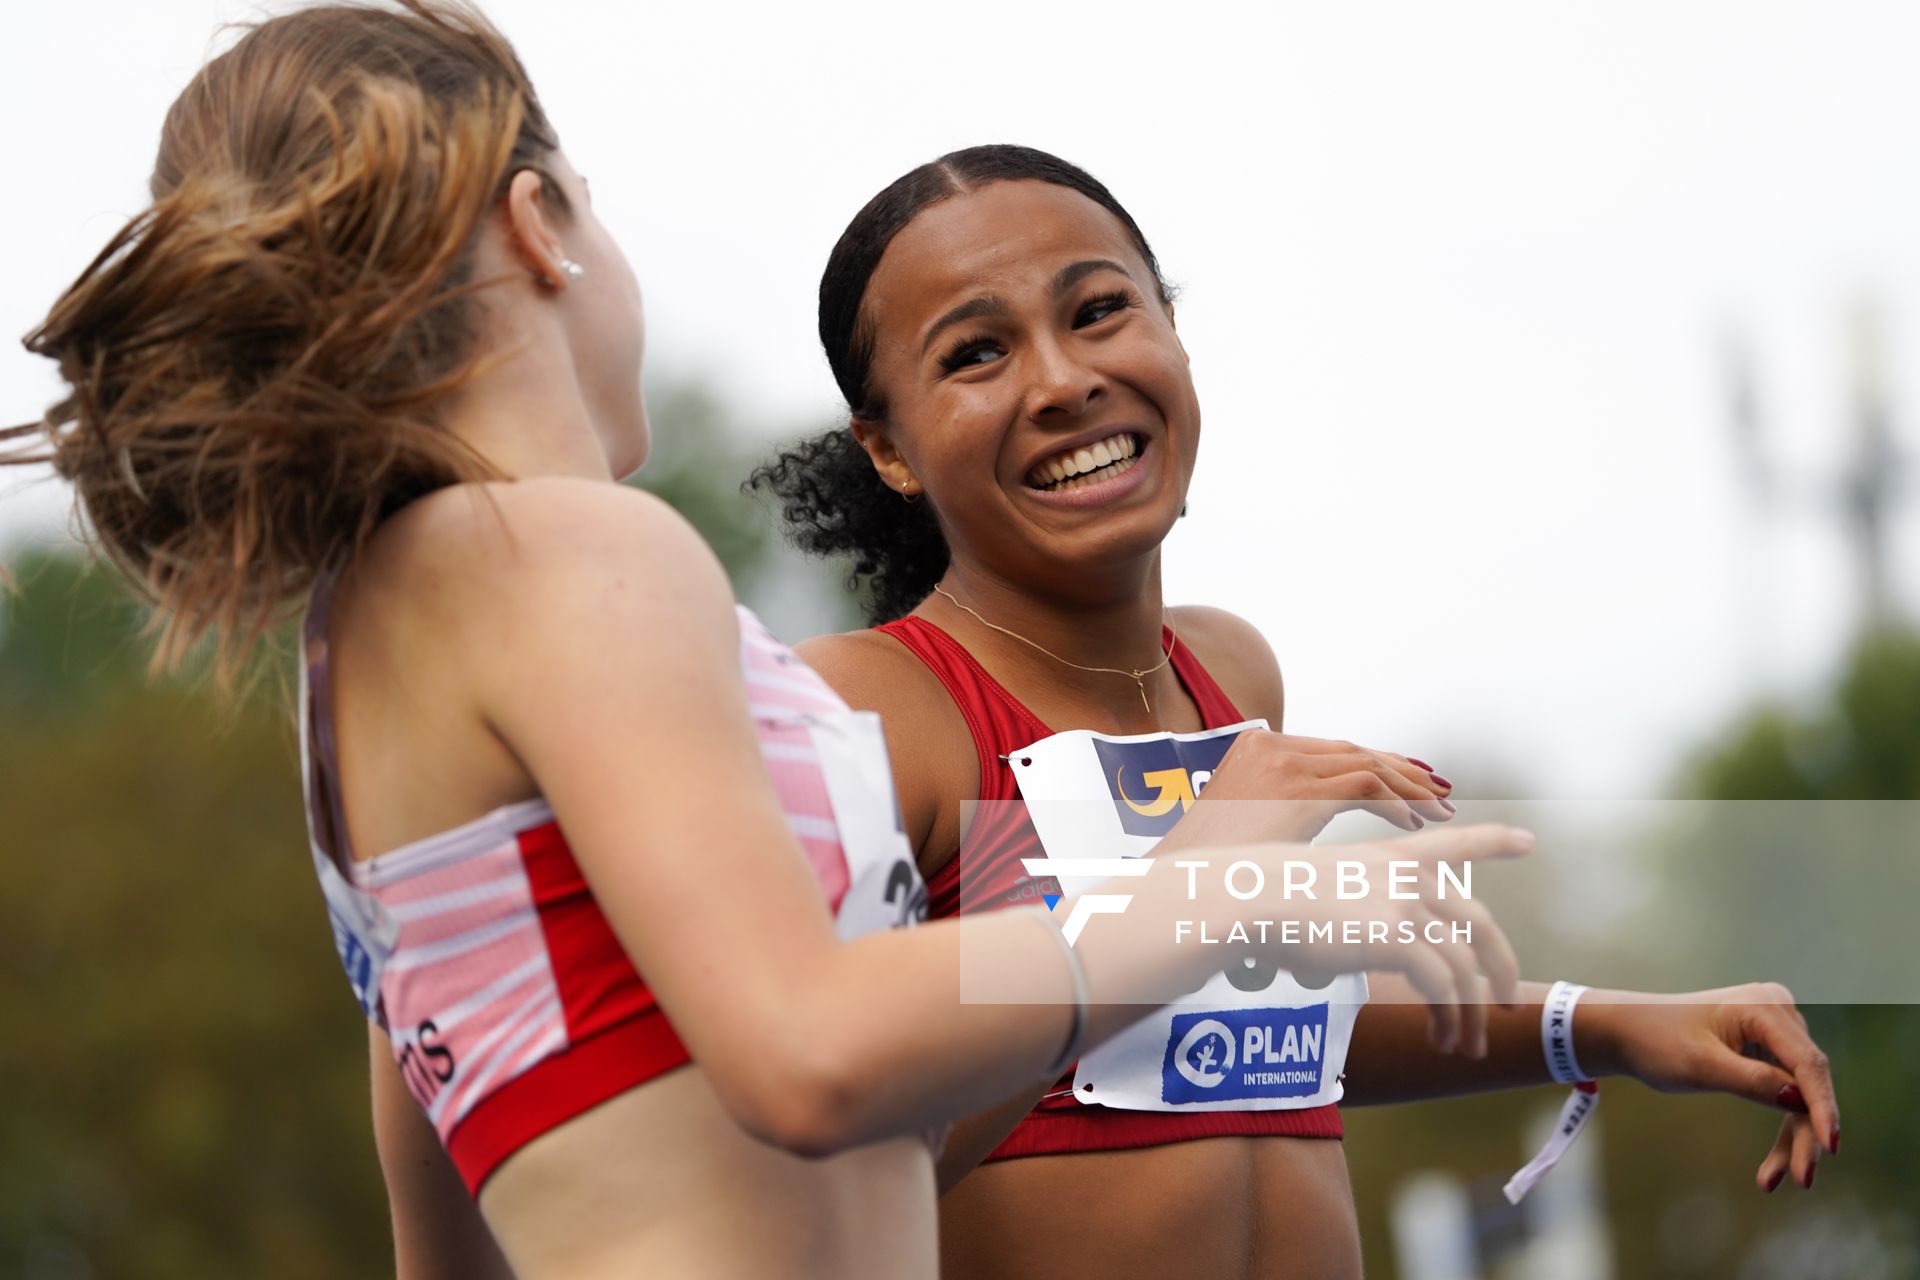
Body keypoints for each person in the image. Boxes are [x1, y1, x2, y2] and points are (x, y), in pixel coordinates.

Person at [3, 9, 1540, 1278]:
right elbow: (807, 1056)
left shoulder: (378, 636)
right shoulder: (573, 551)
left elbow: (445, 1222)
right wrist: (1213, 892)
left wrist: (1250, 948)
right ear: (543, 226)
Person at [752, 143, 1843, 1280]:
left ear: (1172, 329)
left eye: (1100, 309)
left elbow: (1252, 1033)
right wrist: (1181, 902)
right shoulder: (870, 707)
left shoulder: (1232, 671)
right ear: (888, 449)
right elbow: (830, 1158)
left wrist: (1600, 1024)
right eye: (977, 352)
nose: (1063, 378)